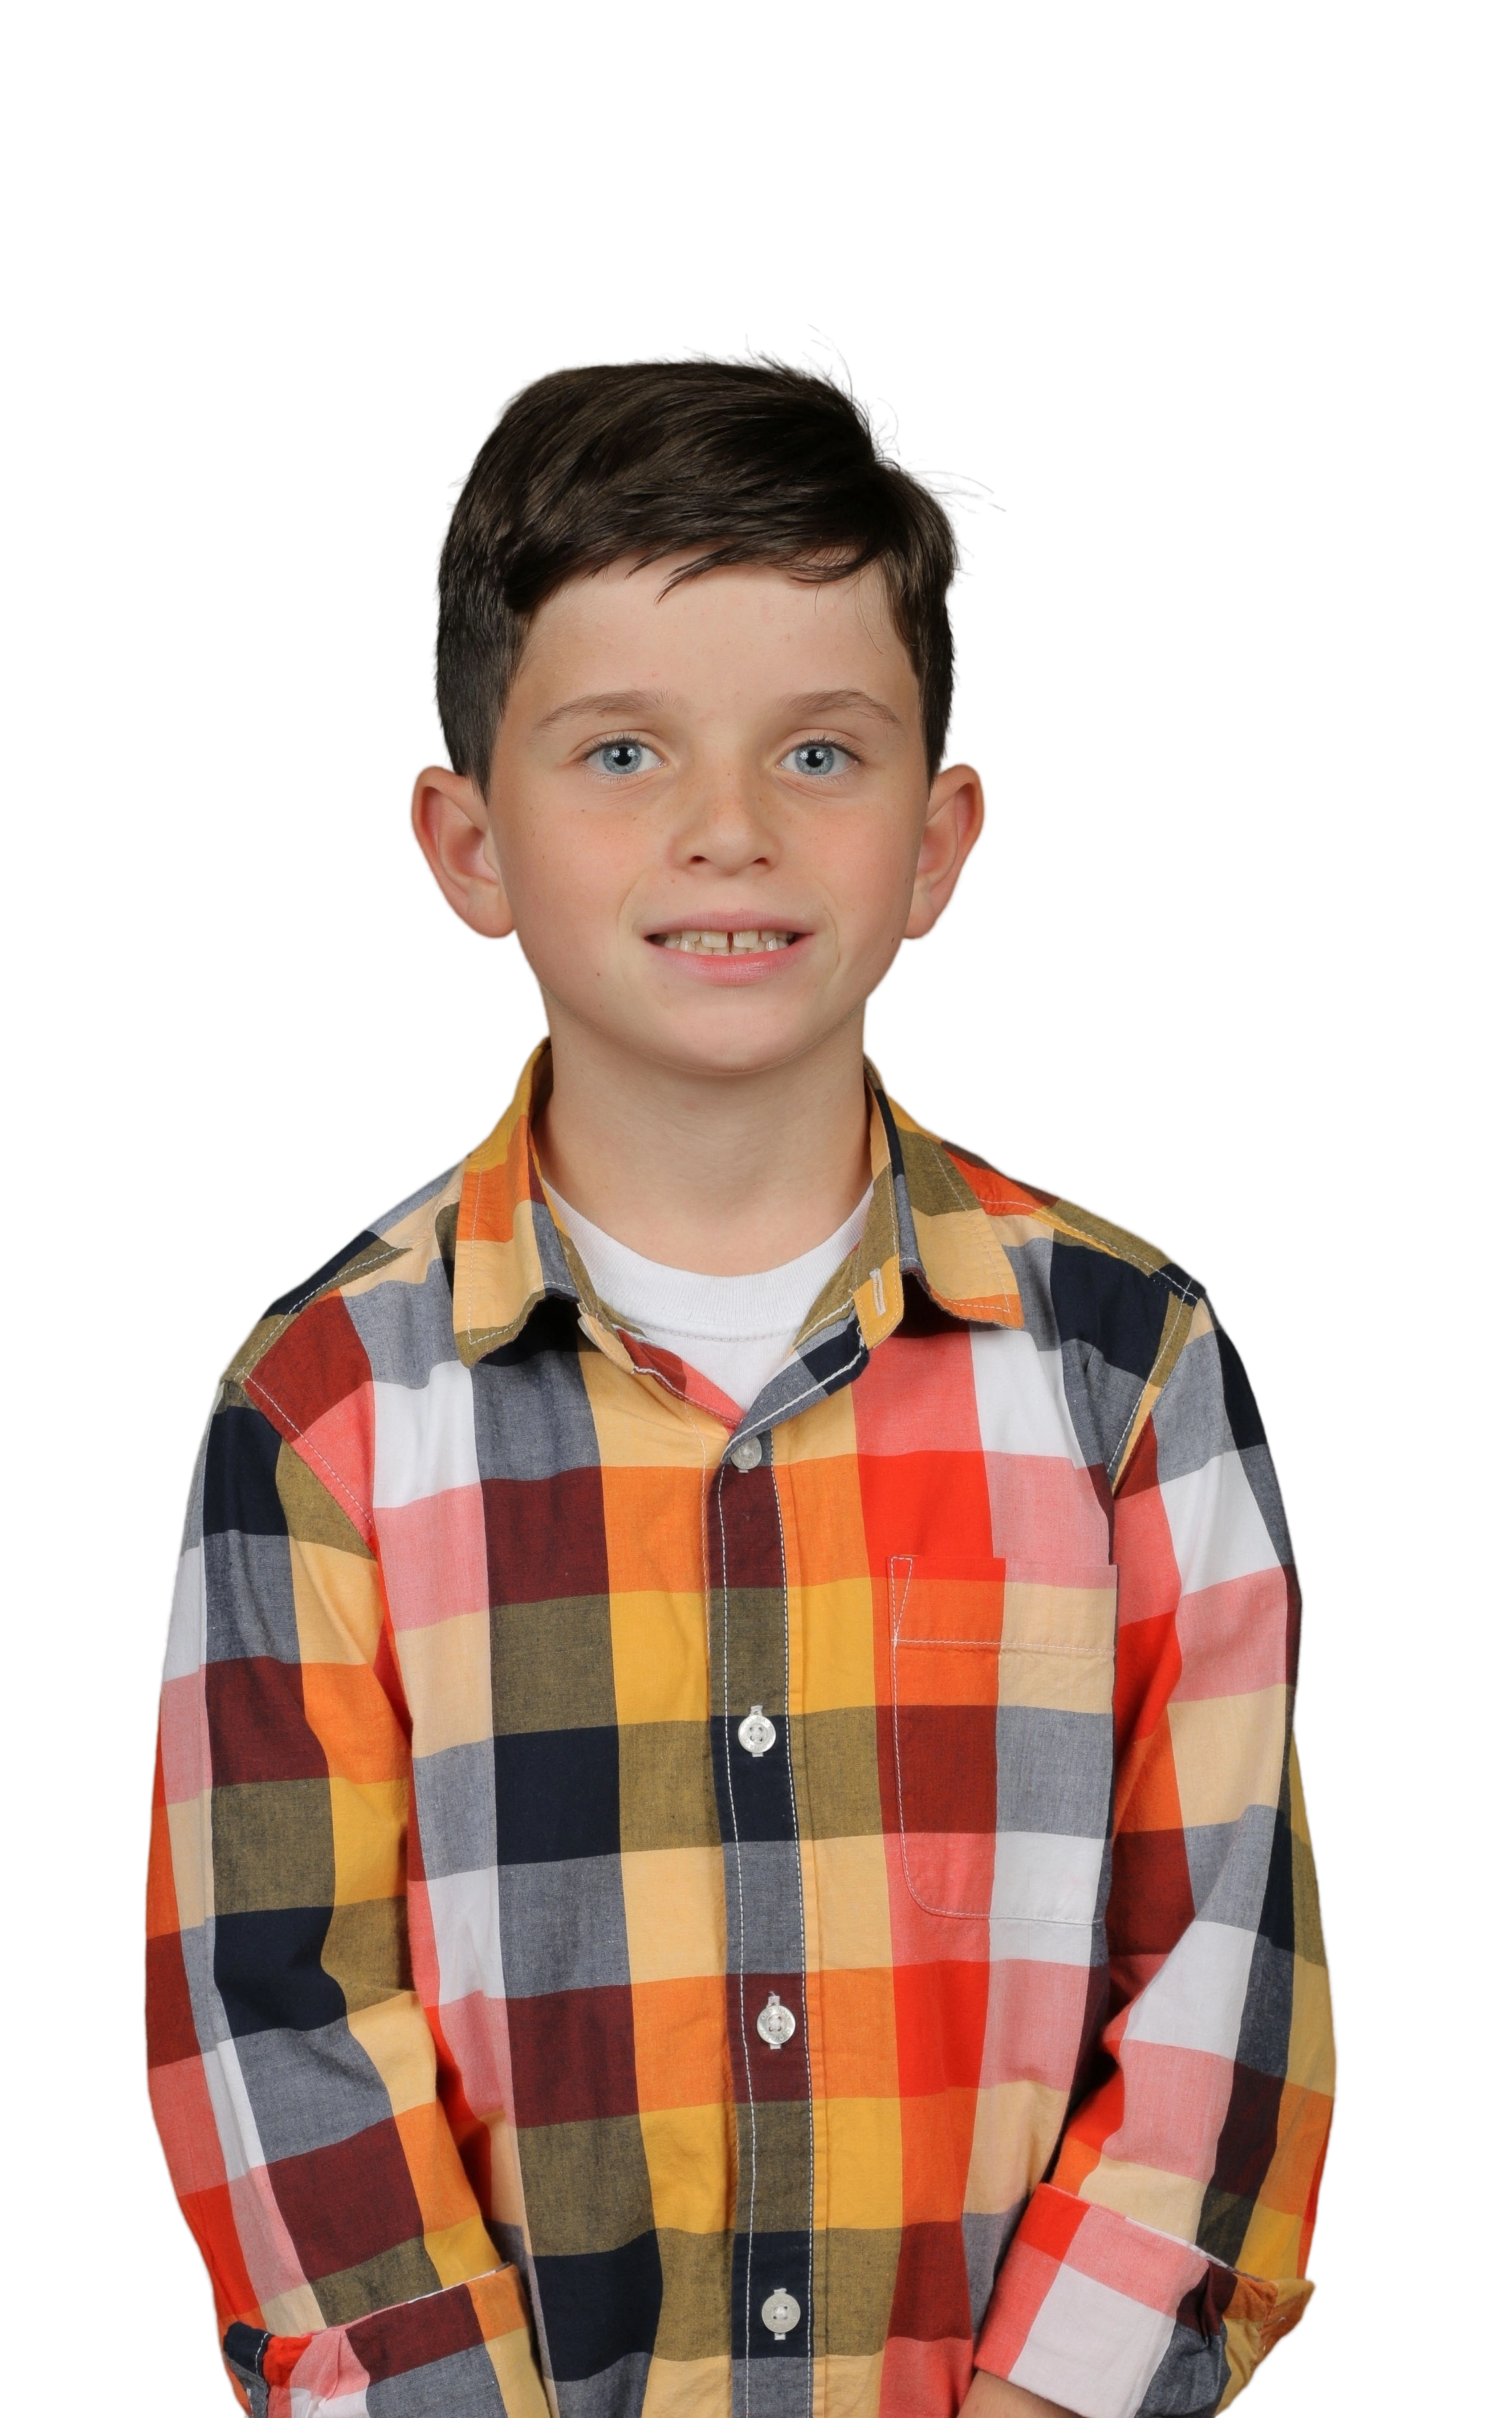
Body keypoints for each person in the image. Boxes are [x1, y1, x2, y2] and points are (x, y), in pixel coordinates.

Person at [142, 330, 1336, 2418]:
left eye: (821, 754)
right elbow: (276, 2014)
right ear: (466, 841)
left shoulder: (1128, 1372)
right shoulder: (321, 1411)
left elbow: (1227, 1970)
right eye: (622, 751)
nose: (727, 831)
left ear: (942, 839)